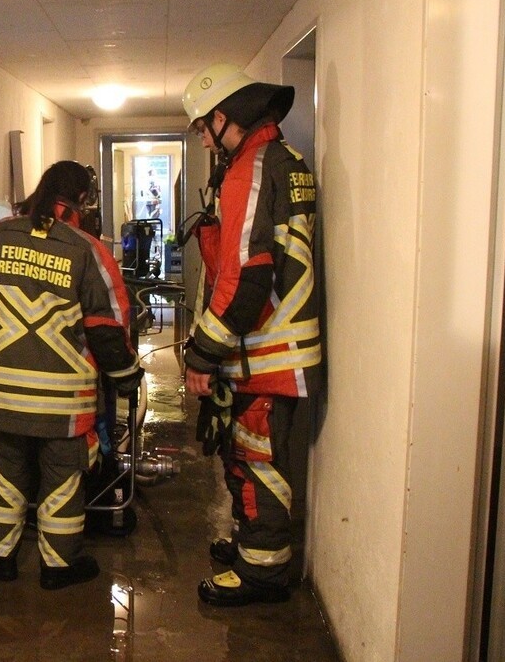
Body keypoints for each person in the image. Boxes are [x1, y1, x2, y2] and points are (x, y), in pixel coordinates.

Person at [0, 160, 143, 590]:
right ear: (81, 200)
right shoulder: (86, 250)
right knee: (62, 483)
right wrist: (128, 376)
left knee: (4, 477)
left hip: (1, 397)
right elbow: (108, 329)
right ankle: (58, 566)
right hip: (62, 405)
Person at [181, 63, 323, 606]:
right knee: (247, 454)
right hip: (276, 346)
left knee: (258, 461)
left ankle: (262, 573)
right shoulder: (287, 160)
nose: (203, 138)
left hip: (267, 351)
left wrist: (202, 353)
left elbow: (245, 275)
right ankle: (250, 546)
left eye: (203, 127)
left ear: (225, 117)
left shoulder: (250, 170)